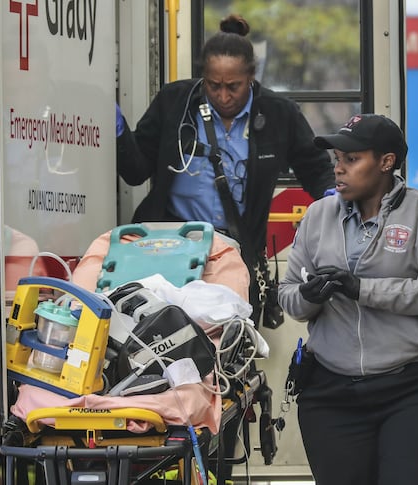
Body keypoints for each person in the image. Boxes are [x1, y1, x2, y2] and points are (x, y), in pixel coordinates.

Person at [277, 113, 418, 485]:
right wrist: (308, 296)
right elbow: (289, 294)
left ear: (387, 162)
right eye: (336, 160)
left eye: (351, 160)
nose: (339, 170)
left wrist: (362, 289)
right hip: (332, 393)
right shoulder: (318, 215)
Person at [116, 14, 334, 323]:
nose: (223, 96)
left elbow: (315, 168)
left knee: (229, 348)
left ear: (252, 76)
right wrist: (119, 132)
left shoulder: (279, 113)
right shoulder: (174, 101)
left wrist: (333, 197)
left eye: (234, 86)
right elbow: (136, 171)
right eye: (213, 85)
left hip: (235, 255)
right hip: (169, 252)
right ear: (202, 76)